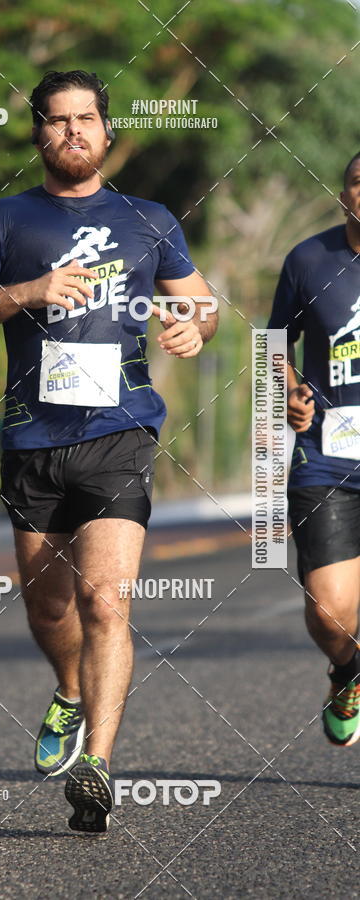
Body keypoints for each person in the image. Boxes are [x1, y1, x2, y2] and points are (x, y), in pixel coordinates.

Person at [0, 70, 217, 833]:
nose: (73, 132)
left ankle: (99, 765)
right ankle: (69, 689)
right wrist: (28, 292)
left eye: (85, 119)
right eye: (57, 121)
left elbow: (202, 302)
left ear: (107, 129)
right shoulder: (5, 219)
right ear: (38, 134)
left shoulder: (149, 218)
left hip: (120, 433)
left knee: (105, 600)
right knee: (49, 605)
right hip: (33, 438)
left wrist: (194, 326)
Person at [268, 151, 360, 747]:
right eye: (359, 182)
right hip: (327, 457)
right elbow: (273, 345)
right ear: (344, 193)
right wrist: (289, 392)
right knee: (329, 611)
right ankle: (348, 671)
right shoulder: (308, 259)